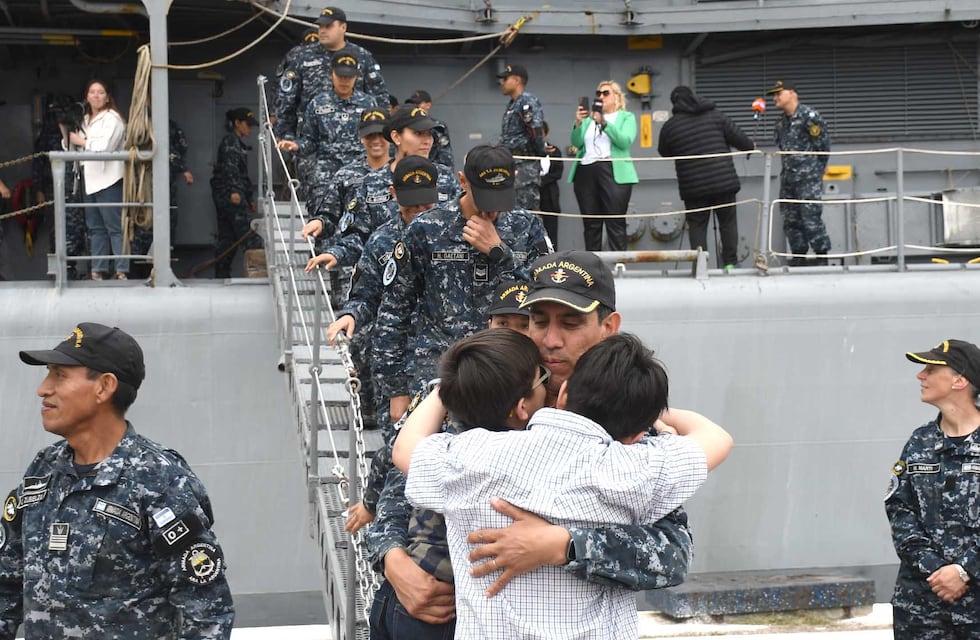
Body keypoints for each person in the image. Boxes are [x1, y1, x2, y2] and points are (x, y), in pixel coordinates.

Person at [395, 330, 731, 640]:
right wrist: (659, 415)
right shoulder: (636, 467)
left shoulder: (473, 454)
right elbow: (717, 438)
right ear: (637, 434)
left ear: (564, 391)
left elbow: (406, 447)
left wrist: (444, 389)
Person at [465, 249, 696, 598]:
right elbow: (398, 486)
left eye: (571, 324)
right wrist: (395, 561)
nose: (550, 340)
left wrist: (568, 545)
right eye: (539, 321)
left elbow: (673, 554)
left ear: (608, 328)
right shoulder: (486, 389)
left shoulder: (623, 419)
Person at [0, 322, 235, 638]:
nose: (43, 388)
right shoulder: (43, 469)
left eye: (59, 375)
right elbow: (6, 585)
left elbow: (207, 614)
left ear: (104, 387)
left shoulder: (159, 480)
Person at [371, 144, 550, 422]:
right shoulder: (427, 228)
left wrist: (501, 253)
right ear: (462, 181)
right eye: (484, 197)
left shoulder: (526, 227)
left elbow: (546, 294)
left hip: (507, 370)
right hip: (440, 369)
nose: (492, 209)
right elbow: (394, 312)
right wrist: (396, 391)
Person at [885, 338, 980, 639]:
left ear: (960, 380)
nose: (920, 376)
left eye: (930, 369)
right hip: (921, 608)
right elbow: (900, 510)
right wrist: (936, 570)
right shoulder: (920, 442)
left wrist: (964, 570)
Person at [301, 106, 460, 273]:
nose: (427, 141)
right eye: (418, 134)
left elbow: (461, 228)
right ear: (396, 137)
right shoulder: (372, 182)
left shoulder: (445, 178)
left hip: (436, 279)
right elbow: (360, 235)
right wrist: (336, 253)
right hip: (389, 282)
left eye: (429, 134)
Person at [658, 85, 755, 269]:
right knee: (727, 222)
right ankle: (730, 264)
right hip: (723, 181)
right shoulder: (716, 115)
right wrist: (750, 146)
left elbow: (664, 151)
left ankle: (700, 266)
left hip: (693, 187)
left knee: (697, 226)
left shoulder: (670, 126)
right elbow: (739, 138)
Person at [273, 6, 389, 144]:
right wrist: (286, 134)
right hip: (312, 141)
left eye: (328, 26)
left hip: (354, 142)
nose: (322, 30)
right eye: (320, 26)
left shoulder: (362, 56)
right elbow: (286, 100)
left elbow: (379, 97)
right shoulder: (301, 56)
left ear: (343, 27)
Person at [278, 48, 378, 205]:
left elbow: (377, 139)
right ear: (331, 74)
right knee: (322, 209)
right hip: (327, 170)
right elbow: (310, 140)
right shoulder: (318, 103)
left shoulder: (369, 104)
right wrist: (296, 145)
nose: (344, 81)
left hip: (359, 167)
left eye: (349, 76)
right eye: (340, 76)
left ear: (356, 77)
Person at [62, 79, 128, 280]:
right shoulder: (83, 119)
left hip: (109, 179)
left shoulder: (113, 118)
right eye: (92, 92)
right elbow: (68, 148)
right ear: (87, 96)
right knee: (95, 227)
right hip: (89, 179)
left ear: (107, 97)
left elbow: (105, 147)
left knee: (114, 226)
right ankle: (97, 269)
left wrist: (80, 141)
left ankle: (121, 269)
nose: (96, 96)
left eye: (100, 92)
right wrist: (66, 131)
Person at [569, 80, 638, 252]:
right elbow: (576, 142)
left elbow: (624, 141)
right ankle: (592, 265)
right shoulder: (588, 120)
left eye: (606, 93)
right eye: (598, 93)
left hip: (612, 170)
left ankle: (619, 264)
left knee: (615, 221)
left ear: (617, 97)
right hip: (586, 170)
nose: (601, 97)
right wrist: (578, 123)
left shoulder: (626, 117)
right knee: (591, 223)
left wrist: (604, 123)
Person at [768, 79, 831, 266]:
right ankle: (798, 255)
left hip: (808, 177)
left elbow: (822, 146)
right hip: (788, 177)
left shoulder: (809, 116)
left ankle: (821, 256)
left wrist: (815, 169)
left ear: (792, 93)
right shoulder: (780, 122)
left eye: (779, 93)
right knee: (790, 218)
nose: (775, 98)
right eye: (774, 95)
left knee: (810, 216)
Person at [210, 108, 264, 279]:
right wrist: (235, 192)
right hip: (230, 196)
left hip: (235, 195)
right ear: (237, 124)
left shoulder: (238, 143)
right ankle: (259, 275)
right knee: (252, 238)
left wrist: (248, 198)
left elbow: (243, 175)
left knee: (228, 239)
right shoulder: (231, 142)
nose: (249, 129)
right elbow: (230, 169)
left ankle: (222, 275)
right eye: (247, 125)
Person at [497, 64, 546, 211]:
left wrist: (540, 152)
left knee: (526, 214)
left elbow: (535, 131)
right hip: (512, 165)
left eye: (505, 79)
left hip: (525, 167)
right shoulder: (513, 104)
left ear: (517, 80)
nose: (502, 83)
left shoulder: (527, 101)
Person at [404, 90, 454, 169]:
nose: (414, 107)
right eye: (412, 104)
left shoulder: (438, 126)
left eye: (417, 104)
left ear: (428, 105)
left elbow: (445, 153)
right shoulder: (405, 124)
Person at [538, 121, 563, 248]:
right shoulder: (527, 152)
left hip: (549, 193)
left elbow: (557, 172)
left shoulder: (555, 151)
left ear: (546, 134)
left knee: (551, 229)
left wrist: (541, 181)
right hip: (532, 194)